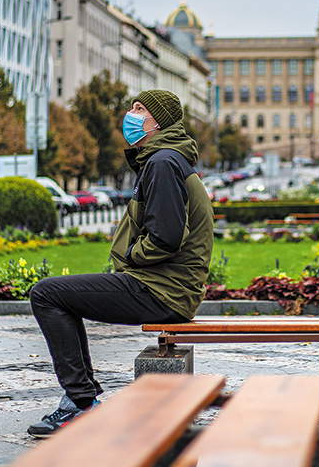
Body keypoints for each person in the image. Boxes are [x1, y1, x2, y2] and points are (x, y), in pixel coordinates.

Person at [26, 90, 213, 437]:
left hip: (161, 291)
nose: (131, 114)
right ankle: (81, 400)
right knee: (60, 296)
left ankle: (81, 404)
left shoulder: (162, 162)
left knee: (46, 294)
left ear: (157, 122)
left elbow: (166, 237)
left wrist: (129, 257)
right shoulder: (168, 160)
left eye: (139, 109)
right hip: (167, 289)